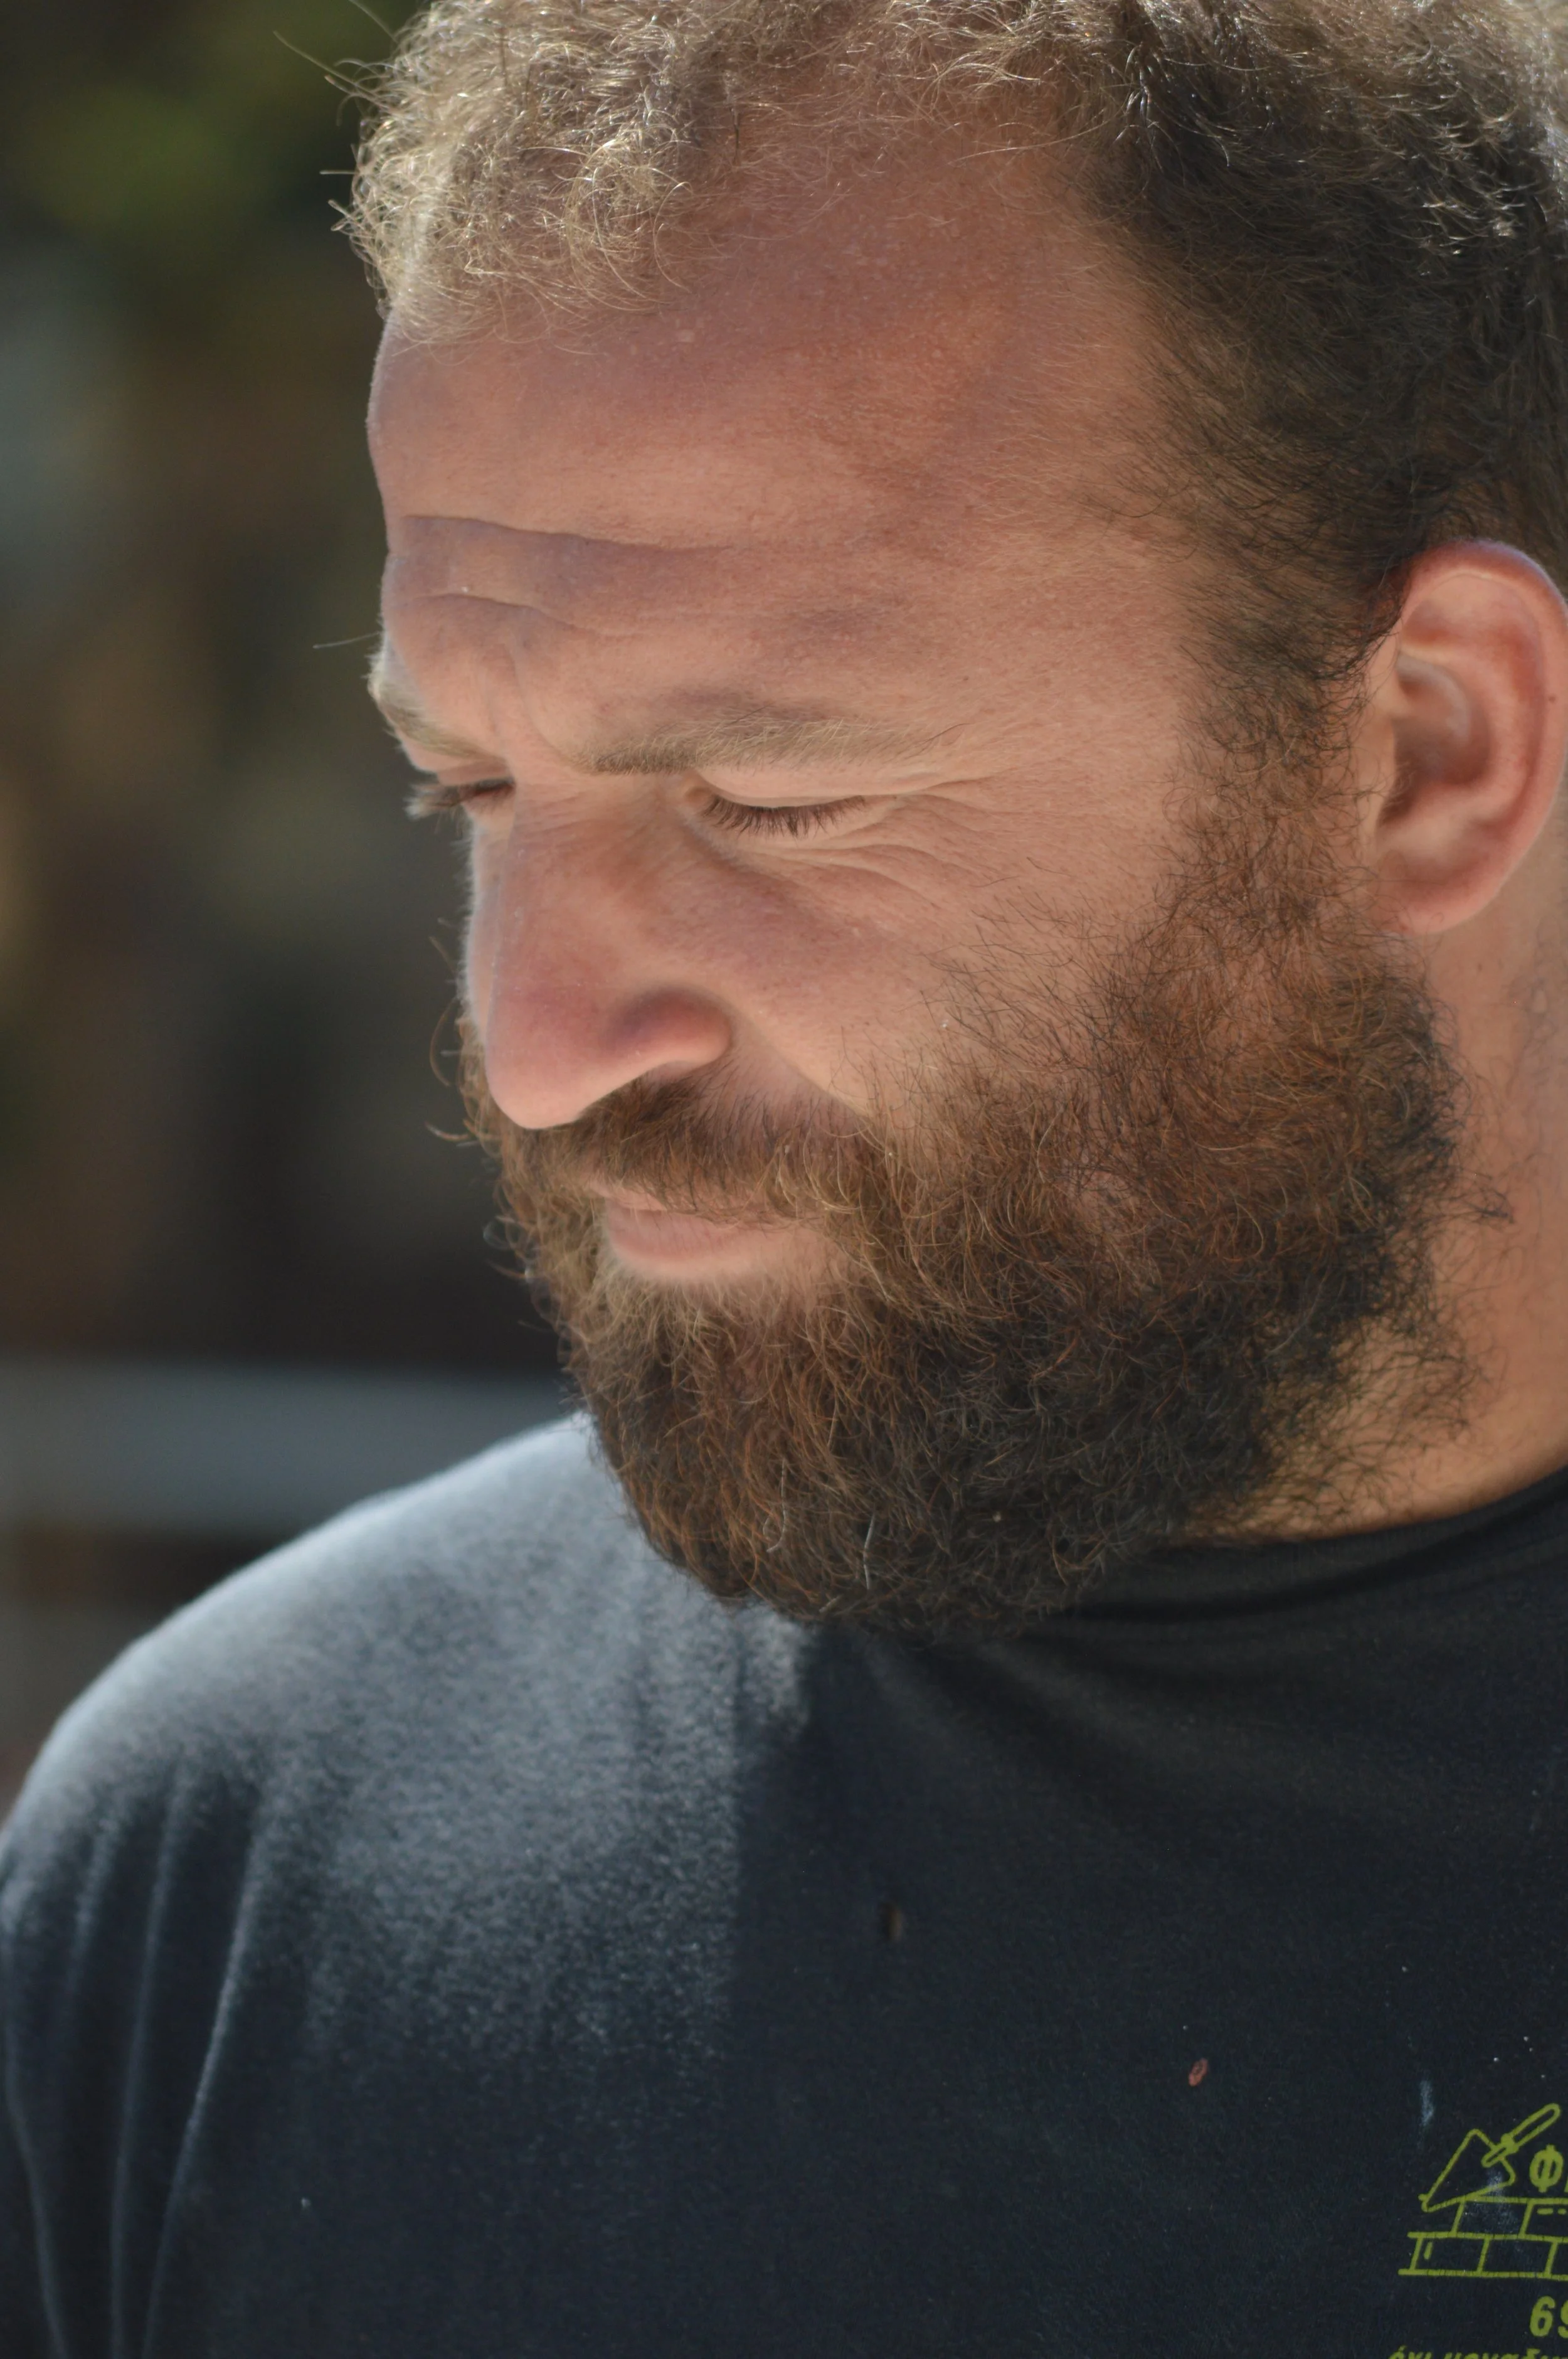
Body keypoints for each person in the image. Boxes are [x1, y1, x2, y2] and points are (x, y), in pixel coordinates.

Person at [8, 0, 1568, 2348]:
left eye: (764, 800)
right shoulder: (233, 1876)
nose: (533, 1058)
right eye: (473, 796)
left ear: (1428, 752)